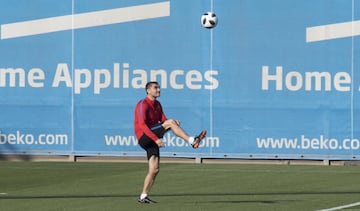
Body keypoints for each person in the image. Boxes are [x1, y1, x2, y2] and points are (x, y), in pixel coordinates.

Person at [134, 81, 206, 204]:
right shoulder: (143, 104)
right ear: (148, 90)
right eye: (155, 88)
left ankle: (143, 196)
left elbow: (163, 120)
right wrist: (157, 138)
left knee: (154, 170)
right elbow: (142, 125)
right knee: (170, 123)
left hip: (152, 137)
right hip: (144, 136)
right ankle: (191, 140)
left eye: (159, 88)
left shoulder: (158, 104)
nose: (158, 90)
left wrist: (172, 123)